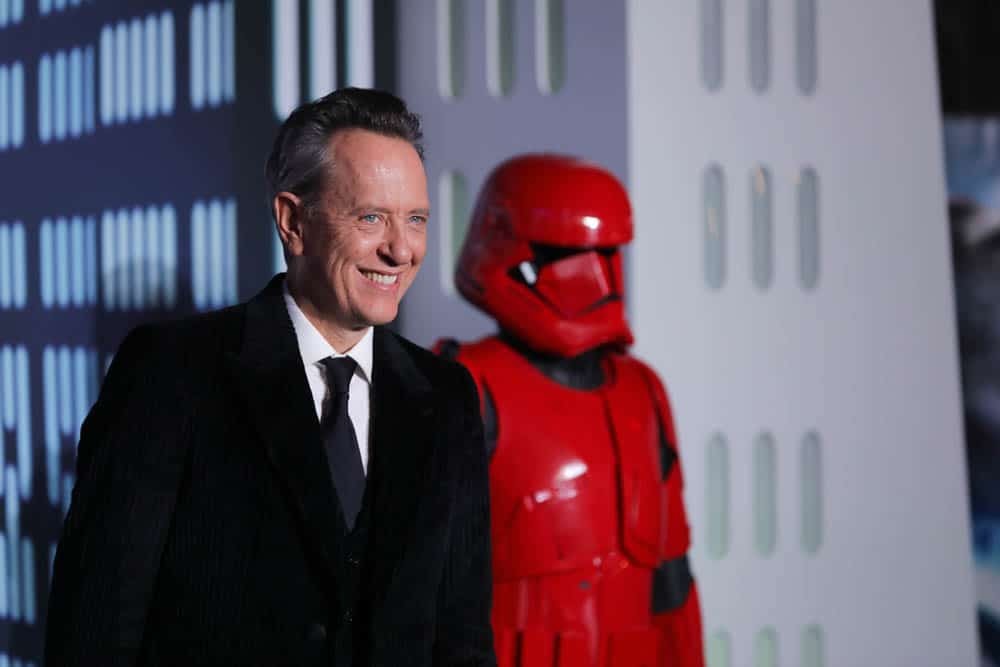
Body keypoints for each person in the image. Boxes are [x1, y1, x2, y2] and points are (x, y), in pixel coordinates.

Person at [44, 88, 496, 667]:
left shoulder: (446, 396)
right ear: (292, 220)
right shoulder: (171, 371)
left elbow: (461, 638)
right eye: (371, 218)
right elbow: (96, 624)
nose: (400, 249)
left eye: (415, 219)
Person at [436, 154, 704, 667]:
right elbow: (413, 588)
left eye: (607, 255)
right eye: (570, 256)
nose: (597, 277)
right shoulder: (464, 382)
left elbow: (672, 587)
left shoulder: (644, 393)